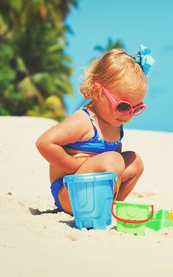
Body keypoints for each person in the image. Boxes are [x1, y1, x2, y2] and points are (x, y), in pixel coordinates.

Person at [36, 45, 155, 214]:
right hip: (69, 192)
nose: (128, 115)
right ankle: (101, 207)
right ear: (98, 92)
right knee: (114, 160)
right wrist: (74, 165)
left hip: (94, 188)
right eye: (122, 106)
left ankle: (111, 207)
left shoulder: (114, 121)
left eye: (136, 109)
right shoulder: (83, 121)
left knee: (135, 161)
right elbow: (45, 143)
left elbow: (114, 150)